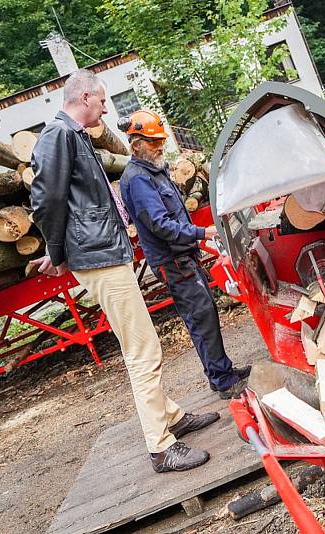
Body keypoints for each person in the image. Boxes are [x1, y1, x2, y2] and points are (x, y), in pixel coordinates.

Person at [30, 69, 218, 474]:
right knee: (143, 350)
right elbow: (45, 200)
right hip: (96, 257)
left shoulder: (73, 136)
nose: (104, 109)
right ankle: (161, 446)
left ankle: (169, 417)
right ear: (83, 96)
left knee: (143, 342)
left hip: (102, 253)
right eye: (100, 101)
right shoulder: (58, 136)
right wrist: (58, 250)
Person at [117, 109, 250, 400]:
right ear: (136, 143)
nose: (160, 146)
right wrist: (203, 234)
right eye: (153, 142)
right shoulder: (138, 179)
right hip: (171, 260)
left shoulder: (155, 169)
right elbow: (161, 225)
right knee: (200, 316)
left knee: (205, 313)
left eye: (160, 141)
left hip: (182, 255)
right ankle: (222, 380)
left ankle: (222, 371)